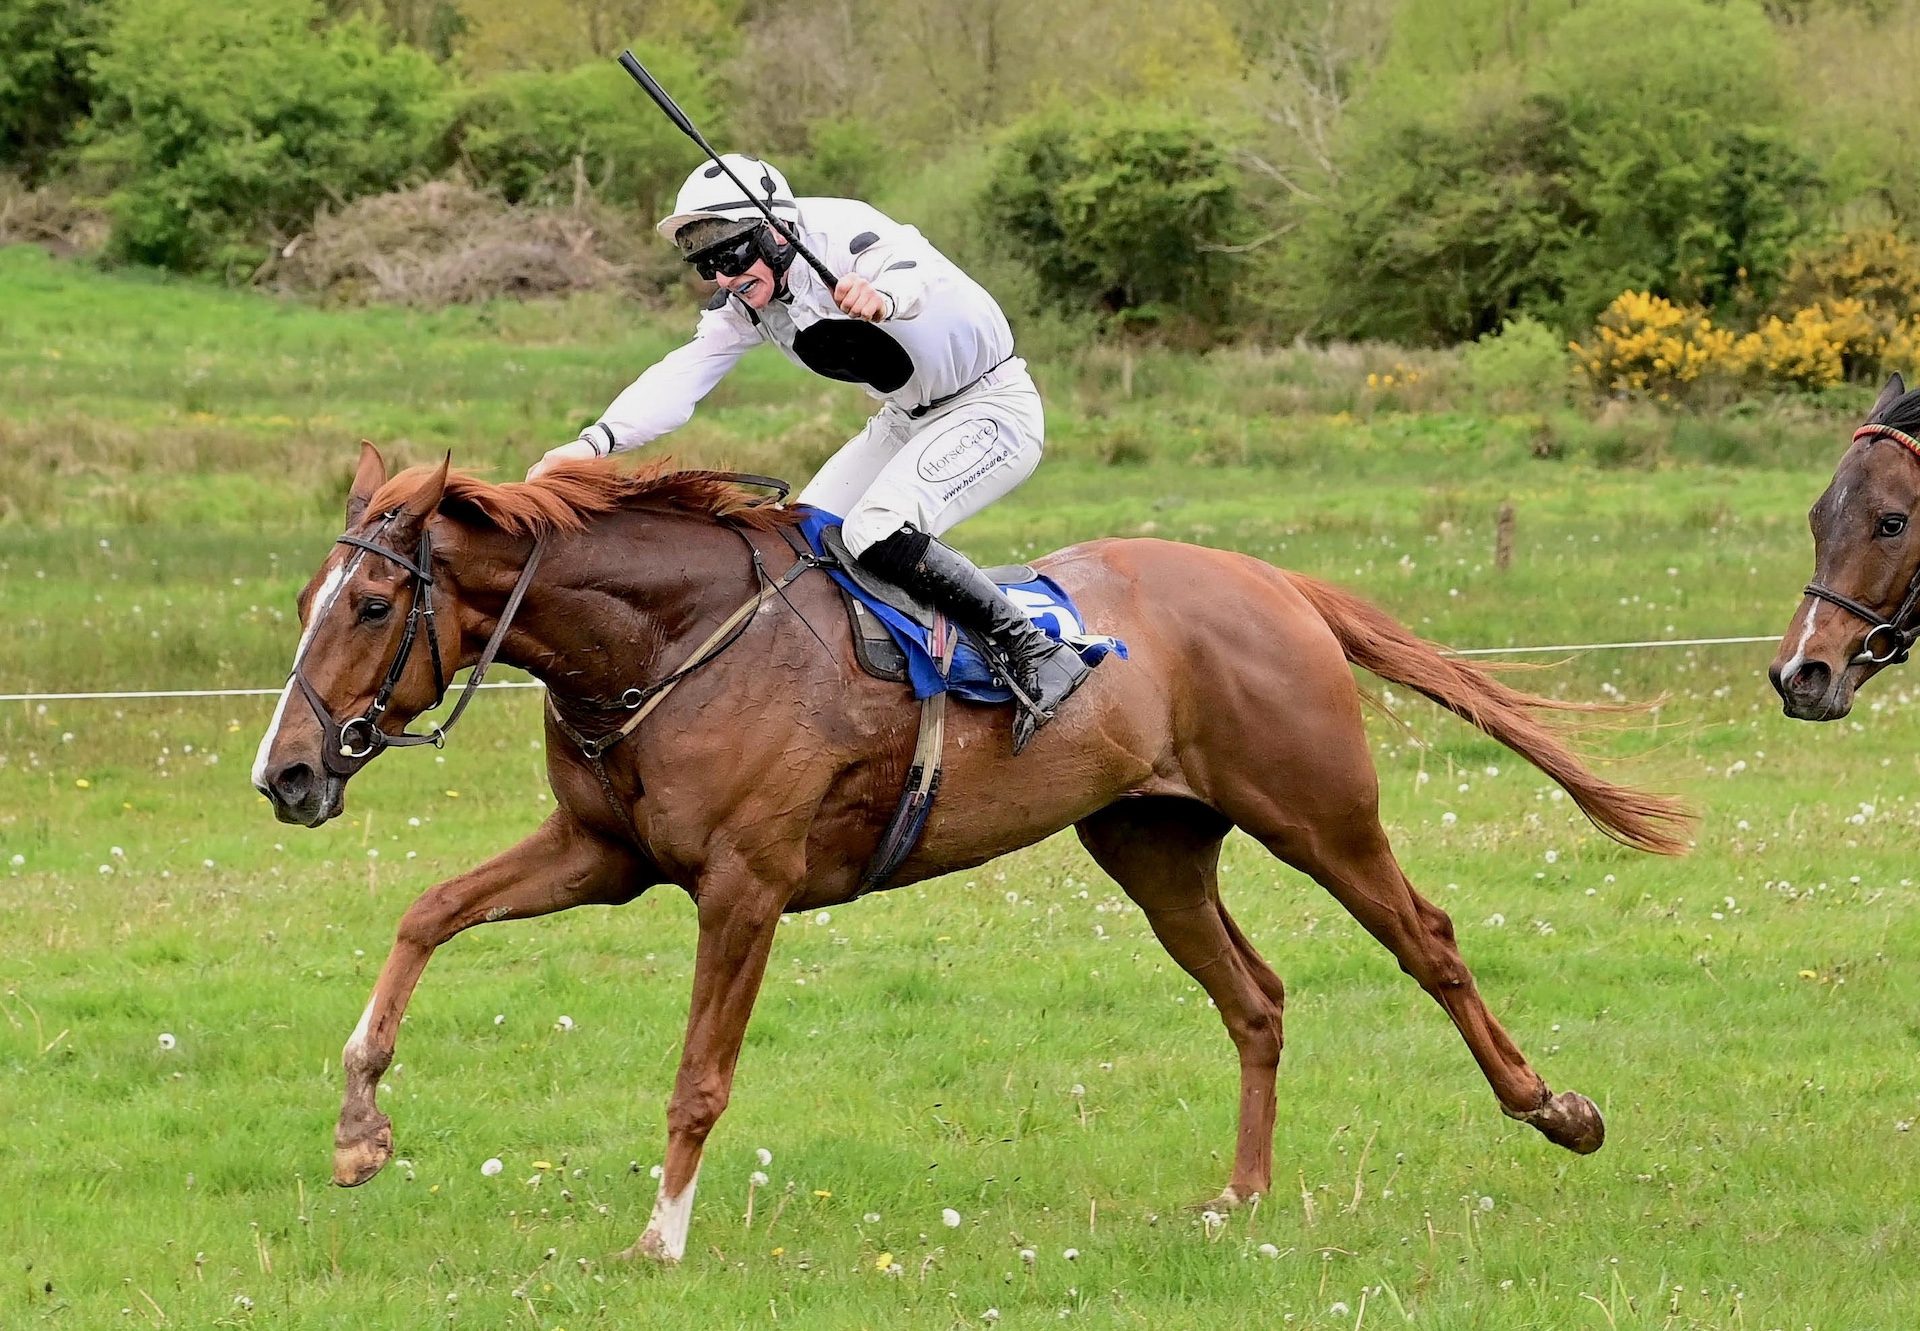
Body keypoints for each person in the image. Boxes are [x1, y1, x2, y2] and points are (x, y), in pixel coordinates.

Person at [528, 154, 1092, 752]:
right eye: (707, 264)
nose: (723, 277)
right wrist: (592, 445)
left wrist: (883, 297)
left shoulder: (844, 232)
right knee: (801, 538)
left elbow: (912, 268)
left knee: (878, 528)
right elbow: (684, 373)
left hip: (991, 406)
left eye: (732, 255)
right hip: (904, 419)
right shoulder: (748, 302)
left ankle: (1035, 652)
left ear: (776, 232)